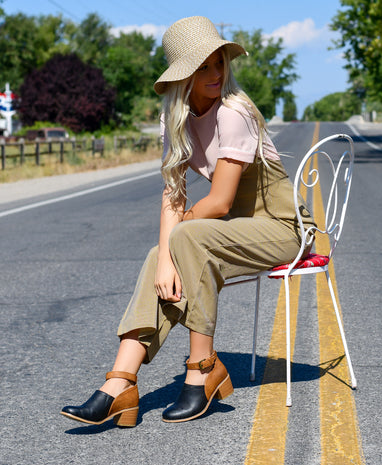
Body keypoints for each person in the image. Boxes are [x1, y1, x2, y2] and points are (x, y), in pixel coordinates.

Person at [61, 15, 315, 427]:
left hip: (283, 229)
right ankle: (119, 383)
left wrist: (175, 241)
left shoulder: (235, 112)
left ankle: (202, 368)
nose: (216, 73)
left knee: (188, 239)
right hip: (235, 231)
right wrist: (164, 256)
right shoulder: (174, 120)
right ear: (184, 75)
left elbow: (219, 201)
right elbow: (173, 194)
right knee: (159, 254)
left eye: (219, 62)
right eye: (204, 66)